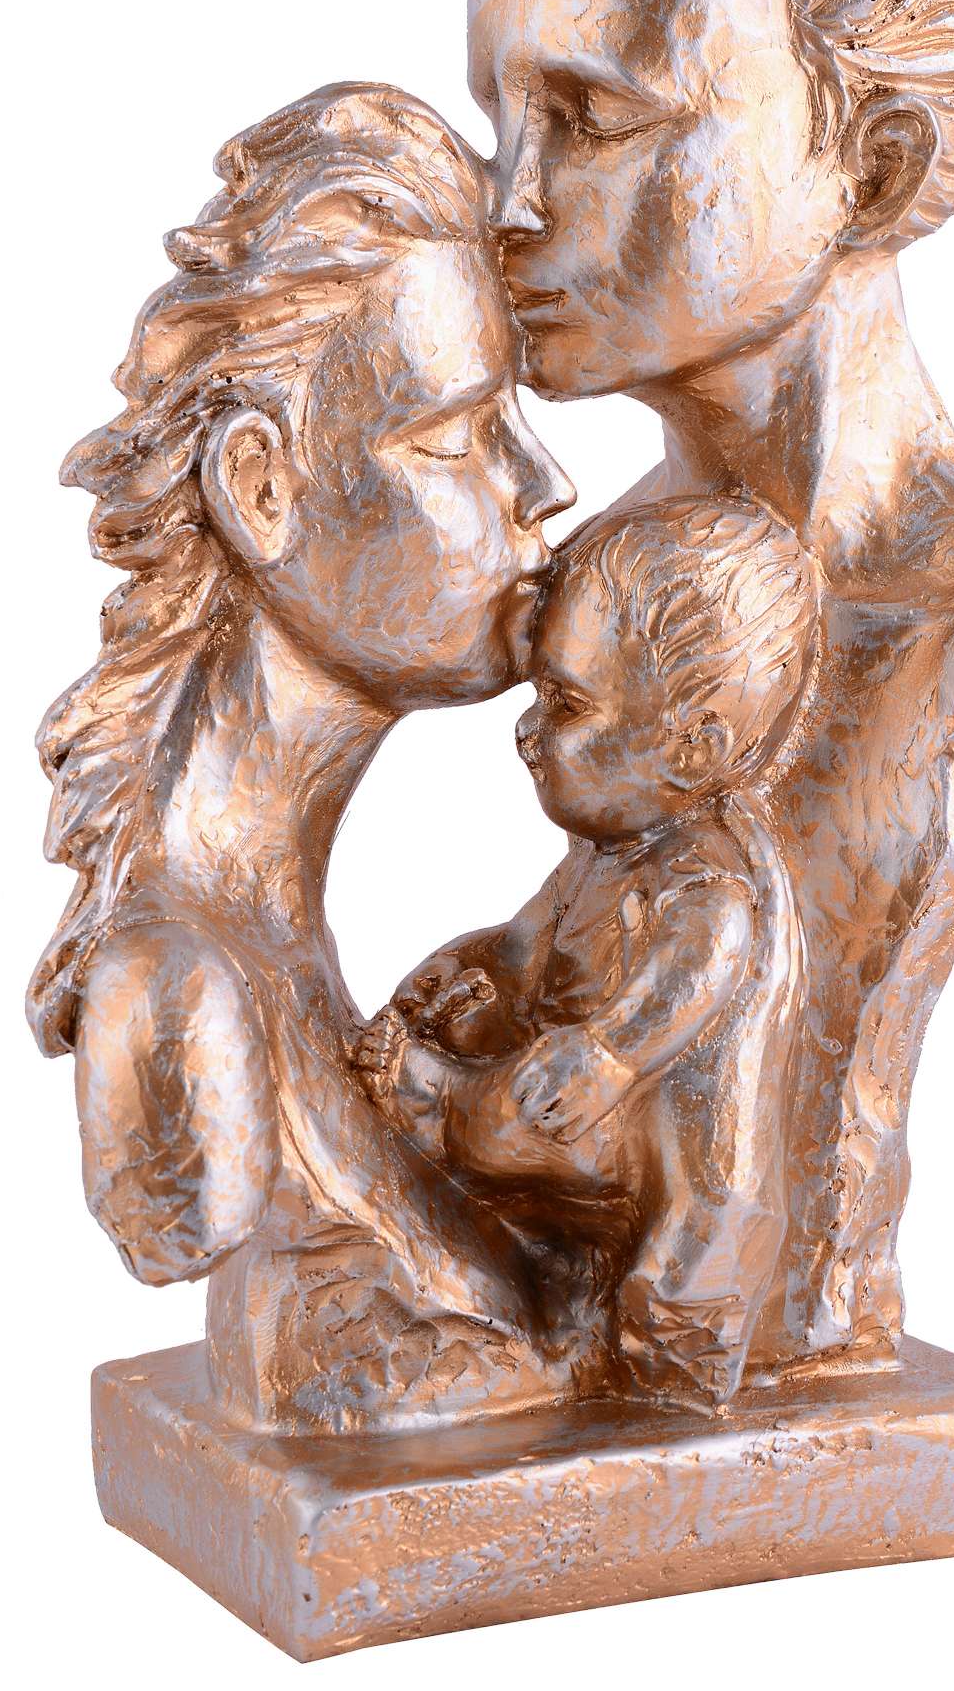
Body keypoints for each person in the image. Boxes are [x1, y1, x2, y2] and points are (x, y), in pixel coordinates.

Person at [443, 0, 954, 1371]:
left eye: (596, 117)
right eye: (499, 119)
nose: (507, 200)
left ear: (866, 168)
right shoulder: (595, 578)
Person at [28, 81, 580, 1428]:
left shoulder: (271, 947)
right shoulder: (182, 995)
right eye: (456, 435)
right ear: (261, 487)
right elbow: (182, 1217)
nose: (543, 482)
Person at [355, 497, 815, 1407]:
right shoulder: (605, 855)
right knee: (514, 1079)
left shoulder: (703, 876)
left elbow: (704, 960)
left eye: (565, 704)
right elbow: (525, 942)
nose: (527, 732)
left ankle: (430, 1099)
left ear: (694, 749)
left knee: (515, 1114)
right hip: (591, 1171)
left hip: (672, 1200)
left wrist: (611, 1052)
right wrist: (475, 965)